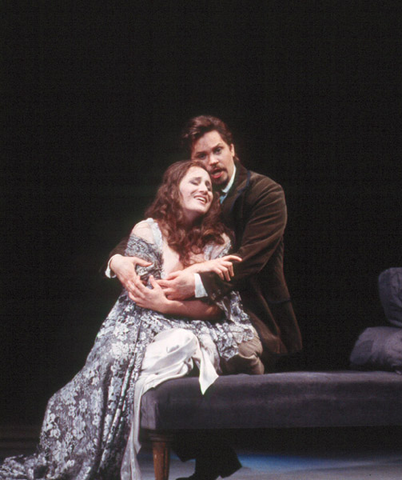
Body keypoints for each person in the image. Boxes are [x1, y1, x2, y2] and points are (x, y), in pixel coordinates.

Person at [0, 160, 257, 480]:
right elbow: (147, 293)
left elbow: (216, 306)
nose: (204, 189)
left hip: (195, 327)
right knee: (117, 360)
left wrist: (183, 290)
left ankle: (210, 456)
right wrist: (193, 274)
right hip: (139, 320)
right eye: (195, 182)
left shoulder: (220, 242)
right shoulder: (147, 230)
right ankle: (103, 458)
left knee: (176, 351)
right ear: (174, 189)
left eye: (208, 185)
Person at [107, 115, 303, 480]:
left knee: (186, 354)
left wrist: (191, 284)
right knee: (144, 349)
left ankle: (212, 455)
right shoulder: (194, 189)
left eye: (218, 151)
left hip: (250, 313)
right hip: (192, 311)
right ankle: (211, 456)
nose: (211, 161)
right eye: (202, 155)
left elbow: (247, 263)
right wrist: (117, 259)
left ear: (233, 150)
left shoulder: (265, 193)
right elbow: (156, 226)